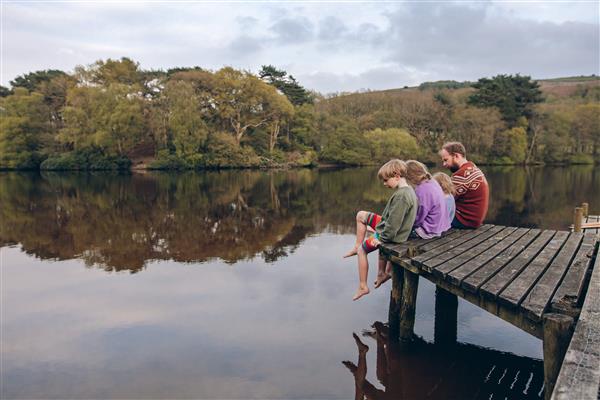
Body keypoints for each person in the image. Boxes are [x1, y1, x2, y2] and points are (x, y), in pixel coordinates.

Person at [343, 159, 417, 301]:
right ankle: (357, 245)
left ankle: (363, 286)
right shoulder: (406, 190)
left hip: (393, 236)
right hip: (390, 226)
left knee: (362, 251)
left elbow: (394, 225)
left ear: (396, 175)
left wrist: (380, 239)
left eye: (385, 180)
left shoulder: (402, 196)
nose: (384, 184)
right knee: (361, 215)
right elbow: (393, 219)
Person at [439, 142, 489, 229]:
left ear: (456, 156)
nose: (444, 164)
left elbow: (441, 200)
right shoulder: (471, 167)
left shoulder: (461, 175)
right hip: (474, 220)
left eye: (446, 160)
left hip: (464, 220)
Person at [405, 160, 450, 239]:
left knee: (399, 234)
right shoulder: (432, 182)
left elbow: (419, 217)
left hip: (429, 231)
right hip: (441, 227)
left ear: (410, 177)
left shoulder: (422, 190)